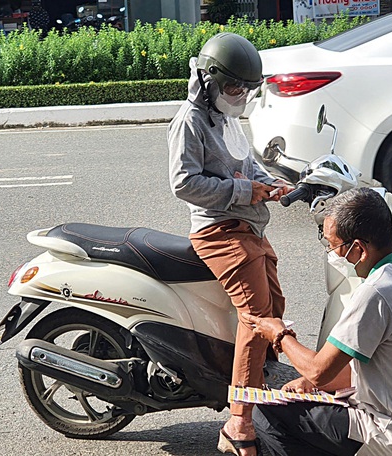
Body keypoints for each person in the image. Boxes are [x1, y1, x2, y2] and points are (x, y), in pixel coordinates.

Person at [243, 188, 392, 456]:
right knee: (303, 398)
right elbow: (349, 367)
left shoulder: (376, 292)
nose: (332, 254)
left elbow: (320, 370)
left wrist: (280, 335)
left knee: (267, 414)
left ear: (359, 249)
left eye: (333, 246)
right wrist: (311, 384)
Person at [168, 33, 292, 456]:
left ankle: (259, 388)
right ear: (209, 80)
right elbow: (184, 183)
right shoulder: (190, 121)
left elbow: (247, 161)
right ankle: (238, 420)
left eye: (245, 89)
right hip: (219, 231)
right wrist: (244, 191)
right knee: (257, 318)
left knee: (276, 306)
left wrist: (271, 181)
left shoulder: (226, 116)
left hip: (249, 225)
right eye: (234, 87)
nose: (240, 95)